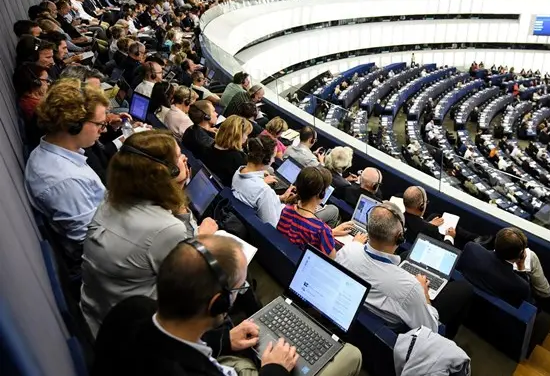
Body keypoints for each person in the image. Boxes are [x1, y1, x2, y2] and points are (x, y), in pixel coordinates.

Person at [91, 234, 347, 376]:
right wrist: (274, 370)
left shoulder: (131, 309)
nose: (240, 293)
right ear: (219, 303)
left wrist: (224, 339)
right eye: (239, 288)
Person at [80, 130, 219, 335]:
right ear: (167, 172)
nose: (185, 158)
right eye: (179, 156)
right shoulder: (166, 228)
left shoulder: (112, 198)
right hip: (133, 337)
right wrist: (204, 237)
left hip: (97, 316)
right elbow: (192, 279)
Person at [335, 202, 473, 339]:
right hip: (393, 333)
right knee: (464, 288)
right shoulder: (410, 287)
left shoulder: (348, 250)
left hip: (354, 321)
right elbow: (430, 329)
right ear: (399, 237)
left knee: (406, 255)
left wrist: (356, 245)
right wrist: (424, 293)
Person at [25, 80, 109, 262]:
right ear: (74, 124)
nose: (103, 130)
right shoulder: (65, 181)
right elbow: (95, 243)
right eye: (99, 124)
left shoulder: (58, 153)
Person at [457, 227, 550, 308]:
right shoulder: (520, 285)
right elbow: (543, 295)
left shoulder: (471, 248)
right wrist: (521, 266)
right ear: (521, 255)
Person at [276, 167, 347, 257]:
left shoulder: (286, 210)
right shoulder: (321, 229)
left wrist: (330, 232)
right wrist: (355, 245)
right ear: (321, 194)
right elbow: (332, 258)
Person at [232, 136, 297, 226]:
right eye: (273, 157)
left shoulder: (238, 172)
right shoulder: (263, 190)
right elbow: (271, 226)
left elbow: (258, 200)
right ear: (266, 160)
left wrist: (280, 198)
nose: (273, 160)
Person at [402, 186, 484, 249]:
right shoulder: (430, 230)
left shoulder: (399, 218)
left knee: (435, 216)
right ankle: (477, 239)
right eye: (426, 202)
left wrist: (428, 224)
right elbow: (443, 249)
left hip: (414, 236)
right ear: (421, 206)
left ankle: (475, 238)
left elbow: (415, 227)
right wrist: (450, 236)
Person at [204, 115, 251, 186]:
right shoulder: (237, 159)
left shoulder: (211, 146)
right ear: (238, 135)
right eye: (246, 134)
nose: (246, 138)